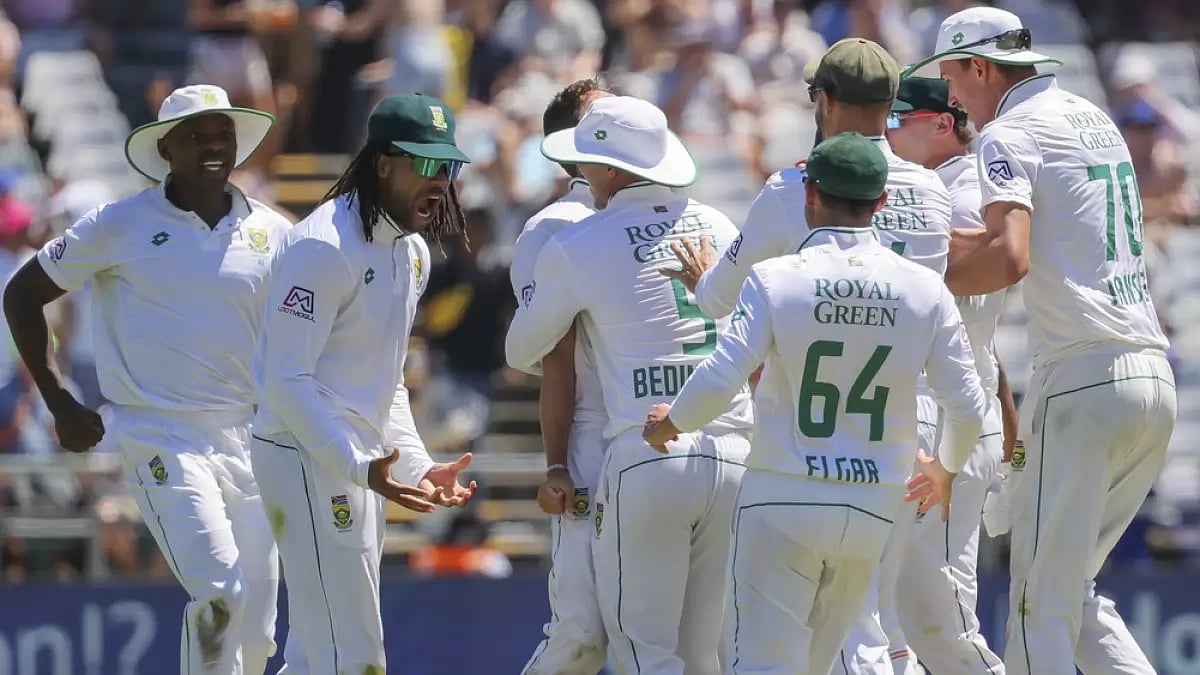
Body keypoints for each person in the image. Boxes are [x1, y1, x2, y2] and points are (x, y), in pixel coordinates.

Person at [643, 131, 988, 675]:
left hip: (784, 497)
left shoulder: (776, 278)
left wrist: (672, 422)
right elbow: (968, 405)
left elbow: (724, 372)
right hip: (871, 506)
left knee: (761, 663)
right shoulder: (925, 289)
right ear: (880, 202)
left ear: (809, 197)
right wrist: (944, 469)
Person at [909, 7, 1178, 674]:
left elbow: (1008, 258)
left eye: (950, 76)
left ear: (979, 67)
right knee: (1069, 591)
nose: (950, 96)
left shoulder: (1009, 133)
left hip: (1081, 381)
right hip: (1150, 377)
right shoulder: (1093, 118)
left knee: (1037, 605)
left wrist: (904, 271)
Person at [4, 84, 289, 674]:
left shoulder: (277, 232)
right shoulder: (118, 224)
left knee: (259, 637)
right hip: (162, 436)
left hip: (255, 442)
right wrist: (61, 401)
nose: (213, 144)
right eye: (196, 134)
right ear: (166, 149)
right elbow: (23, 294)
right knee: (220, 594)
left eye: (222, 132)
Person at [505, 95, 754, 674]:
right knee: (702, 657)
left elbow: (521, 351)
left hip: (646, 450)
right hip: (735, 453)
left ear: (612, 169)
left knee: (642, 653)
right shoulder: (717, 223)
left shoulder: (577, 243)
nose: (580, 174)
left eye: (588, 161)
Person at [250, 92, 478, 673]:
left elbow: (386, 382)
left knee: (314, 647)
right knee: (354, 653)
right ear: (383, 163)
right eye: (426, 164)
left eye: (447, 167)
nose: (440, 181)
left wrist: (416, 465)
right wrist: (357, 465)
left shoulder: (414, 254)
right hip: (304, 455)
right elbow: (284, 380)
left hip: (357, 463)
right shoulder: (323, 248)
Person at [884, 74, 1015, 673]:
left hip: (945, 425)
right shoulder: (946, 187)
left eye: (898, 119)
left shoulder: (957, 193)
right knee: (911, 626)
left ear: (942, 122)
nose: (886, 132)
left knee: (939, 627)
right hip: (962, 410)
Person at [511, 77, 613, 675]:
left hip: (674, 436)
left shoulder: (678, 211)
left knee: (659, 637)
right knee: (581, 635)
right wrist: (556, 464)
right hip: (593, 441)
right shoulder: (551, 229)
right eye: (604, 111)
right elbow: (541, 353)